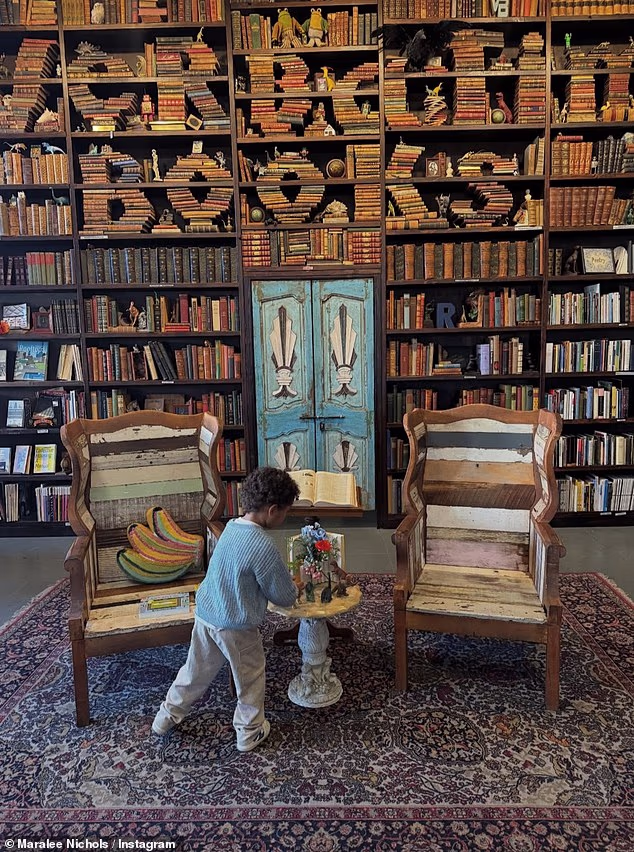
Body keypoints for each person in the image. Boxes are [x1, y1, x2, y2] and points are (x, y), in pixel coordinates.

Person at [152, 467, 300, 752]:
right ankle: (250, 731)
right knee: (251, 676)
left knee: (195, 671)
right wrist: (294, 587)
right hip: (236, 624)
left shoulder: (231, 527)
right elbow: (283, 596)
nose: (285, 518)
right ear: (272, 510)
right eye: (285, 512)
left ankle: (166, 716)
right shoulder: (263, 546)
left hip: (207, 614)